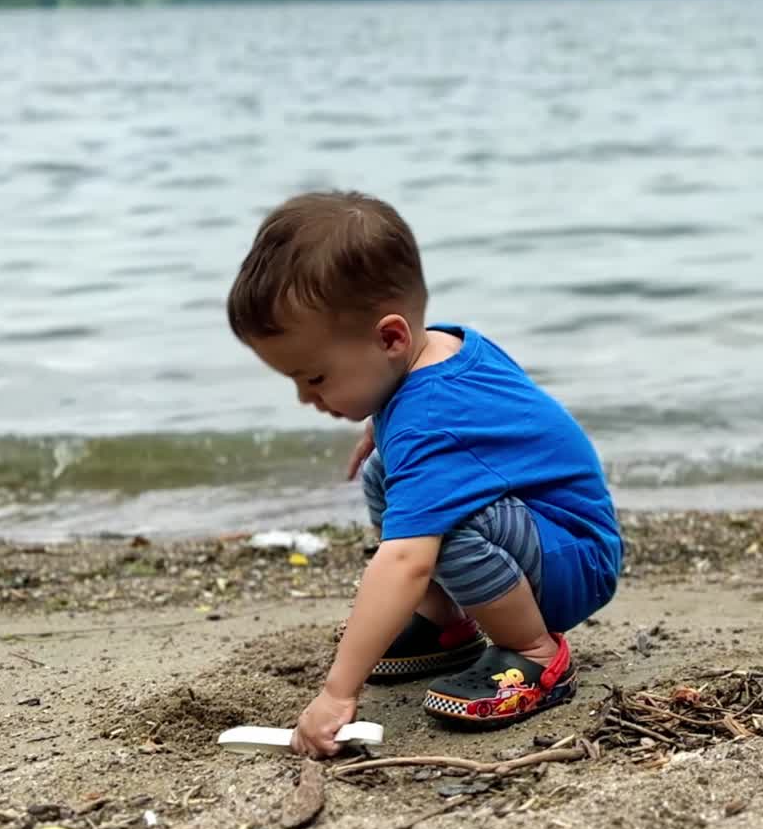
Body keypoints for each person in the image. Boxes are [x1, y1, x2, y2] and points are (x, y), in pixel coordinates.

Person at [226, 190, 622, 758]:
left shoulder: (430, 422)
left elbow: (405, 561)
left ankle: (536, 652)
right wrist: (381, 429)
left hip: (574, 558)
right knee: (384, 474)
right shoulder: (436, 346)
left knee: (444, 526)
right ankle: (447, 624)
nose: (304, 398)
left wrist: (338, 693)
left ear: (390, 338)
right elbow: (468, 422)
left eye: (314, 378)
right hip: (547, 533)